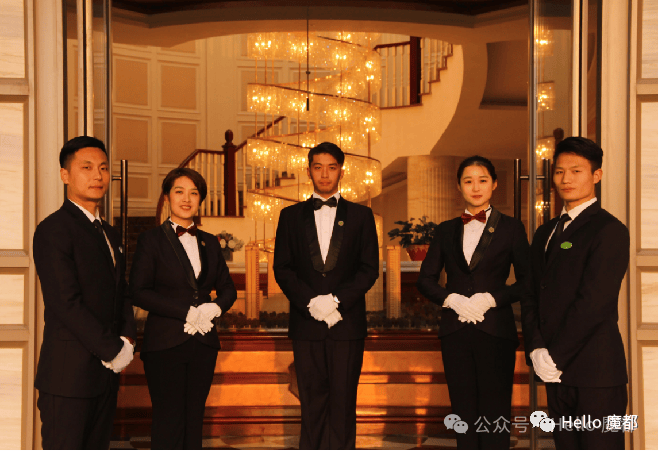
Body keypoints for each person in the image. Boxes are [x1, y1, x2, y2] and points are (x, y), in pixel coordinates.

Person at [521, 137, 629, 450]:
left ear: (596, 175)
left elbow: (595, 302)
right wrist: (536, 348)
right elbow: (531, 293)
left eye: (576, 171)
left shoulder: (609, 230)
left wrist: (555, 355)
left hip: (596, 373)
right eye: (559, 172)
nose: (565, 179)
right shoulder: (545, 231)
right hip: (554, 374)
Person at [416, 156, 530, 449]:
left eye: (482, 180)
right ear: (459, 186)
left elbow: (528, 281)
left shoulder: (511, 228)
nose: (476, 187)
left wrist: (492, 298)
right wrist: (451, 299)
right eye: (468, 181)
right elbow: (425, 280)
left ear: (494, 184)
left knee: (495, 410)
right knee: (463, 411)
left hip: (496, 330)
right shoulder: (445, 229)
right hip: (455, 332)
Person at [273, 142, 379, 449]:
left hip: (347, 325)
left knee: (344, 401)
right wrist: (311, 302)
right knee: (310, 401)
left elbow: (369, 269)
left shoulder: (361, 216)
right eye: (318, 167)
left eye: (331, 168)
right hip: (306, 324)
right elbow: (283, 268)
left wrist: (335, 301)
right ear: (308, 171)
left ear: (341, 172)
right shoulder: (290, 216)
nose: (324, 174)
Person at [33, 136, 137, 449]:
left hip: (105, 377)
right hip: (69, 377)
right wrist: (113, 349)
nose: (97, 175)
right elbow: (65, 302)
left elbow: (122, 293)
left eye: (103, 168)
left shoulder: (110, 233)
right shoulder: (53, 229)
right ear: (65, 175)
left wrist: (128, 339)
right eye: (87, 168)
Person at [130, 167, 237, 449]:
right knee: (168, 420)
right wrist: (185, 312)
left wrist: (215, 308)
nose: (186, 199)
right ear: (167, 197)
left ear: (200, 199)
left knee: (194, 418)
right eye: (179, 192)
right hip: (165, 343)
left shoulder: (210, 242)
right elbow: (138, 292)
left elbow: (228, 289)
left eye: (194, 193)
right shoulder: (151, 240)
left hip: (203, 343)